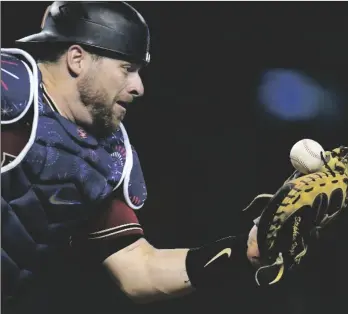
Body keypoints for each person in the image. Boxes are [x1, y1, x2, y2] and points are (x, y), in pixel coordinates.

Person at [1, 2, 262, 312]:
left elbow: (139, 271)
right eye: (128, 68)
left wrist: (243, 249)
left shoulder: (105, 157)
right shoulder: (8, 87)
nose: (138, 87)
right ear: (77, 59)